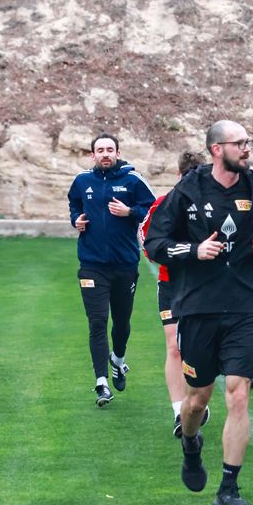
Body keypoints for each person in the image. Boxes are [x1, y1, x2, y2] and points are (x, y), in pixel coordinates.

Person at [144, 120, 253, 505]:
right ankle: (191, 444)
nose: (247, 149)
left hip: (247, 308)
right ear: (216, 149)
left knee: (239, 394)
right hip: (198, 307)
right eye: (239, 143)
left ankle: (229, 487)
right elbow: (155, 243)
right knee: (197, 399)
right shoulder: (187, 193)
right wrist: (193, 251)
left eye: (248, 142)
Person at [68, 132, 156, 407]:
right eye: (100, 150)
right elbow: (74, 203)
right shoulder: (83, 181)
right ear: (92, 155)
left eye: (110, 149)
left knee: (121, 322)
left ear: (118, 152)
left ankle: (118, 358)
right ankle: (101, 383)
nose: (105, 154)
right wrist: (76, 220)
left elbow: (152, 209)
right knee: (97, 322)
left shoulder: (132, 180)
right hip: (92, 265)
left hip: (125, 266)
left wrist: (129, 212)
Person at [140, 151, 210, 436]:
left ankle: (197, 399)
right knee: (174, 346)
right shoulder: (164, 204)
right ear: (179, 177)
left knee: (201, 347)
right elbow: (147, 239)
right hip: (172, 285)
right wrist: (171, 255)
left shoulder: (214, 205)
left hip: (207, 287)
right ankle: (178, 411)